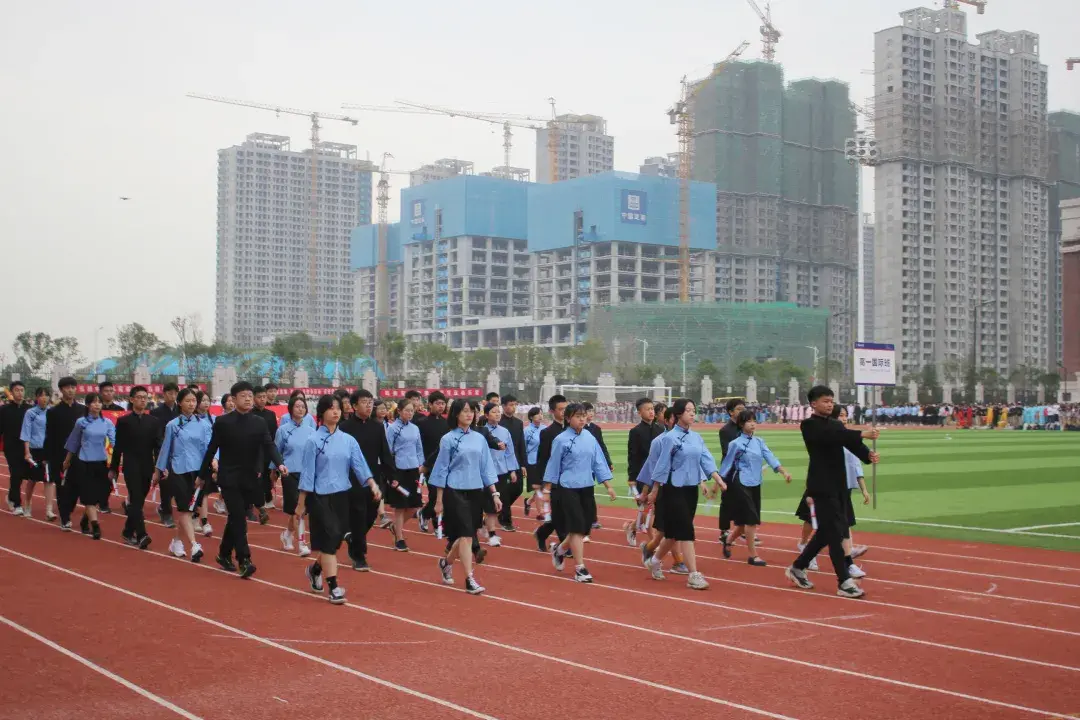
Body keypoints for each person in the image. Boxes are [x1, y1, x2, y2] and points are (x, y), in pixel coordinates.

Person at [785, 386, 879, 599]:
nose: (829, 404)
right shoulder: (809, 425)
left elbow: (849, 442)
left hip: (839, 485)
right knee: (835, 533)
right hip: (821, 486)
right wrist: (862, 433)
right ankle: (844, 581)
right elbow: (832, 436)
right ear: (813, 404)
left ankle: (798, 567)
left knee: (827, 532)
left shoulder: (836, 425)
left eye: (831, 401)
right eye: (825, 401)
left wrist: (867, 454)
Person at [198, 381, 287, 579]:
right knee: (239, 517)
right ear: (233, 399)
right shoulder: (223, 422)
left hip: (250, 477)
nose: (248, 399)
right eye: (243, 396)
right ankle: (244, 560)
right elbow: (211, 449)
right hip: (229, 478)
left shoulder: (259, 422)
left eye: (250, 396)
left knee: (236, 518)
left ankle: (223, 554)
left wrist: (280, 464)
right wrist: (202, 475)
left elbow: (269, 445)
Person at [298, 395, 379, 605]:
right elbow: (307, 473)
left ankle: (315, 569)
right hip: (319, 497)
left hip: (342, 496)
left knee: (334, 541)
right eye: (331, 408)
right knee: (329, 539)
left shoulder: (348, 440)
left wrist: (372, 484)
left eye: (338, 408)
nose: (336, 412)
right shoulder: (313, 441)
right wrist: (301, 502)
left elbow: (359, 464)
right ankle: (333, 587)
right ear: (321, 412)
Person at [646, 399, 727, 591]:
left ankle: (654, 561)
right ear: (678, 414)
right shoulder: (669, 438)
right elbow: (662, 465)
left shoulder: (696, 437)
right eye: (688, 410)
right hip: (673, 488)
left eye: (693, 410)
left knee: (673, 534)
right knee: (686, 531)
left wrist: (718, 479)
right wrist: (655, 489)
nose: (692, 414)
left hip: (690, 489)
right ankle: (693, 574)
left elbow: (706, 460)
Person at [429, 399, 501, 595]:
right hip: (454, 490)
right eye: (465, 411)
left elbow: (486, 467)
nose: (470, 414)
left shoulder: (479, 439)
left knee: (465, 535)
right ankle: (470, 578)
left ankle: (446, 563)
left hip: (476, 490)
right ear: (456, 414)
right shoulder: (448, 439)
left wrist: (495, 493)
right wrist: (438, 501)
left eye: (472, 411)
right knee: (466, 535)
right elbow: (441, 469)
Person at [544, 403, 616, 583]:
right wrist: (547, 489)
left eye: (584, 415)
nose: (582, 419)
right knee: (576, 527)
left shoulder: (590, 437)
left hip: (586, 486)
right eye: (578, 416)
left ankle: (559, 550)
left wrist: (608, 486)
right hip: (567, 487)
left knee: (584, 527)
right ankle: (580, 568)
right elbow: (553, 465)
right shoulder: (560, 440)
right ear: (568, 418)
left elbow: (598, 462)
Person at [716, 409, 792, 566]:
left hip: (755, 482)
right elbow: (726, 465)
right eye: (748, 421)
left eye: (754, 421)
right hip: (740, 483)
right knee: (751, 520)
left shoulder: (759, 442)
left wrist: (784, 472)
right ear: (741, 424)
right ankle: (753, 555)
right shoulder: (735, 444)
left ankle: (729, 540)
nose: (752, 424)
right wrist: (719, 483)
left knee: (745, 522)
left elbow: (770, 457)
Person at [154, 388, 211, 562]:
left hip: (198, 472)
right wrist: (158, 471)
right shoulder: (172, 425)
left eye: (194, 401)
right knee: (184, 508)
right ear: (180, 403)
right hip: (178, 470)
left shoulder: (204, 425)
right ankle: (194, 545)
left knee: (190, 509)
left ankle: (177, 541)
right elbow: (165, 450)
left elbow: (209, 448)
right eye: (188, 401)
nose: (192, 404)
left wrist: (214, 463)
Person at [340, 389, 395, 571]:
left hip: (373, 477)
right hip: (352, 479)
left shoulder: (377, 427)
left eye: (370, 402)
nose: (369, 405)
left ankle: (353, 539)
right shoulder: (345, 428)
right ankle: (359, 556)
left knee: (371, 514)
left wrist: (392, 476)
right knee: (358, 513)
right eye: (364, 402)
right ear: (354, 406)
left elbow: (384, 453)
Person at [109, 386, 160, 549]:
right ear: (131, 399)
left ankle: (127, 531)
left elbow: (157, 447)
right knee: (136, 498)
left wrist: (159, 467)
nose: (143, 400)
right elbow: (118, 447)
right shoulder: (124, 422)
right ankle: (142, 534)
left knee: (139, 500)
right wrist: (113, 468)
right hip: (131, 465)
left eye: (145, 397)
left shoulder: (153, 421)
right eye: (139, 397)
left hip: (147, 465)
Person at [61, 392, 116, 540]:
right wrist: (67, 460)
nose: (97, 404)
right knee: (89, 496)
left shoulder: (107, 423)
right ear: (87, 405)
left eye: (99, 402)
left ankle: (85, 520)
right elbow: (73, 442)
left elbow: (114, 442)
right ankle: (95, 526)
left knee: (99, 495)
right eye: (94, 402)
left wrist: (119, 458)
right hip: (84, 463)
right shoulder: (81, 422)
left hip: (101, 463)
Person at [275, 395, 315, 557]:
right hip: (289, 473)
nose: (300, 409)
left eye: (303, 406)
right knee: (298, 509)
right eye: (297, 406)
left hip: (306, 473)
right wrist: (274, 470)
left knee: (301, 510)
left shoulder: (311, 431)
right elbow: (276, 451)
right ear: (291, 409)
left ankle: (287, 534)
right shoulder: (283, 430)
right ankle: (302, 542)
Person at [46, 377, 86, 530]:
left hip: (80, 455)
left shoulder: (83, 410)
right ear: (61, 390)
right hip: (60, 456)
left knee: (76, 488)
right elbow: (50, 435)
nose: (71, 390)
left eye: (73, 387)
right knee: (62, 488)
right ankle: (64, 518)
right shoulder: (53, 412)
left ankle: (67, 510)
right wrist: (49, 458)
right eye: (67, 387)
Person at [385, 398, 424, 551]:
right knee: (400, 506)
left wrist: (421, 465)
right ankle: (399, 538)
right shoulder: (392, 428)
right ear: (399, 411)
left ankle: (395, 527)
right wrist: (390, 472)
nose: (409, 413)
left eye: (412, 411)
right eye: (407, 410)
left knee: (414, 505)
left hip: (414, 470)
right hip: (399, 470)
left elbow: (419, 448)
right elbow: (387, 450)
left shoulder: (415, 428)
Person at [625, 397, 664, 546]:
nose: (651, 412)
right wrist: (632, 478)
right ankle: (653, 545)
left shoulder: (660, 430)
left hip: (659, 475)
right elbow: (632, 456)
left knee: (653, 510)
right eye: (647, 409)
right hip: (643, 476)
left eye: (652, 409)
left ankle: (632, 527)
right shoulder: (635, 432)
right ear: (639, 412)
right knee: (648, 509)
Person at [480, 402, 518, 547]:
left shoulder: (505, 431)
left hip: (501, 472)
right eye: (494, 412)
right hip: (485, 473)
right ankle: (490, 532)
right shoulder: (481, 431)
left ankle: (490, 530)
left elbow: (510, 452)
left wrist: (512, 470)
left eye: (498, 411)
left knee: (496, 504)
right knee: (487, 504)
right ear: (486, 415)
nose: (497, 414)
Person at [533, 394, 567, 552]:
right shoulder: (548, 433)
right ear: (552, 411)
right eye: (561, 409)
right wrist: (540, 481)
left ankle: (541, 533)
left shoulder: (573, 430)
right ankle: (565, 545)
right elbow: (543, 458)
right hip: (554, 480)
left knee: (564, 513)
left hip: (571, 478)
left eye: (566, 408)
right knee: (560, 513)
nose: (564, 412)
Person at [417, 391, 449, 533]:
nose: (441, 406)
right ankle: (436, 524)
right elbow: (418, 445)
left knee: (445, 495)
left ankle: (425, 514)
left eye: (443, 403)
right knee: (435, 495)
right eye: (437, 403)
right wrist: (422, 463)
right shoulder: (422, 423)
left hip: (445, 464)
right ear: (430, 404)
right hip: (429, 465)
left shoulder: (447, 423)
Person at [19, 387, 53, 520]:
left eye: (46, 395)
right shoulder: (30, 413)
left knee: (49, 479)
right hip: (35, 450)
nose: (44, 398)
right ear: (36, 397)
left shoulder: (52, 412)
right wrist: (27, 452)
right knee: (32, 479)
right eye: (41, 395)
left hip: (48, 450)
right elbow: (26, 432)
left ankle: (49, 510)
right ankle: (27, 505)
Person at [151, 382, 181, 528]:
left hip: (179, 452)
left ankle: (164, 508)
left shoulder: (180, 411)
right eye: (170, 393)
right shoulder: (156, 412)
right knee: (165, 483)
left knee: (178, 483)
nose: (172, 396)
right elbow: (156, 434)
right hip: (163, 451)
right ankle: (167, 513)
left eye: (175, 393)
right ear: (164, 394)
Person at [717, 397, 745, 545]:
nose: (742, 411)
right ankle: (724, 531)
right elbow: (727, 452)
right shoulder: (725, 430)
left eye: (743, 409)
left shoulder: (745, 427)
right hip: (729, 470)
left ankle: (742, 530)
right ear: (730, 412)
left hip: (744, 470)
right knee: (727, 501)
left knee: (744, 499)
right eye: (739, 409)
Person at [581, 401, 613, 531]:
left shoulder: (596, 429)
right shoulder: (578, 428)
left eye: (591, 411)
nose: (591, 413)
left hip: (592, 465)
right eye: (588, 411)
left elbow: (601, 446)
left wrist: (608, 462)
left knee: (589, 492)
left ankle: (592, 519)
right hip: (581, 465)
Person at [497, 394, 527, 532]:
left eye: (515, 404)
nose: (513, 407)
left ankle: (500, 510)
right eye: (510, 405)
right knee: (505, 491)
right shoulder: (499, 423)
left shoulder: (518, 423)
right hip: (502, 462)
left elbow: (521, 444)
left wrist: (523, 464)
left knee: (518, 489)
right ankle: (506, 520)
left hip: (516, 461)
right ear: (503, 406)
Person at [1, 380, 30, 515]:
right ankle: (17, 504)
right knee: (16, 473)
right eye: (17, 390)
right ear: (11, 392)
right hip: (11, 446)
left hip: (26, 447)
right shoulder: (4, 410)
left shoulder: (29, 409)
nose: (20, 393)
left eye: (22, 390)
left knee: (22, 474)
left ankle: (11, 496)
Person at [252, 385, 279, 512]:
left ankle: (268, 497)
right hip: (254, 450)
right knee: (256, 476)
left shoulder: (271, 414)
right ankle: (256, 500)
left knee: (267, 475)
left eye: (264, 397)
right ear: (253, 398)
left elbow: (274, 433)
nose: (262, 399)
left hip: (267, 449)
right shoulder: (249, 414)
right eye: (259, 397)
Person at [522, 407, 546, 517]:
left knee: (543, 488)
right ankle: (541, 513)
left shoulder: (545, 429)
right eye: (538, 414)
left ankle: (528, 502)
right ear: (531, 417)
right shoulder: (526, 431)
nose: (541, 416)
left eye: (541, 413)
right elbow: (523, 448)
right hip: (532, 462)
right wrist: (523, 464)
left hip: (544, 462)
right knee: (538, 488)